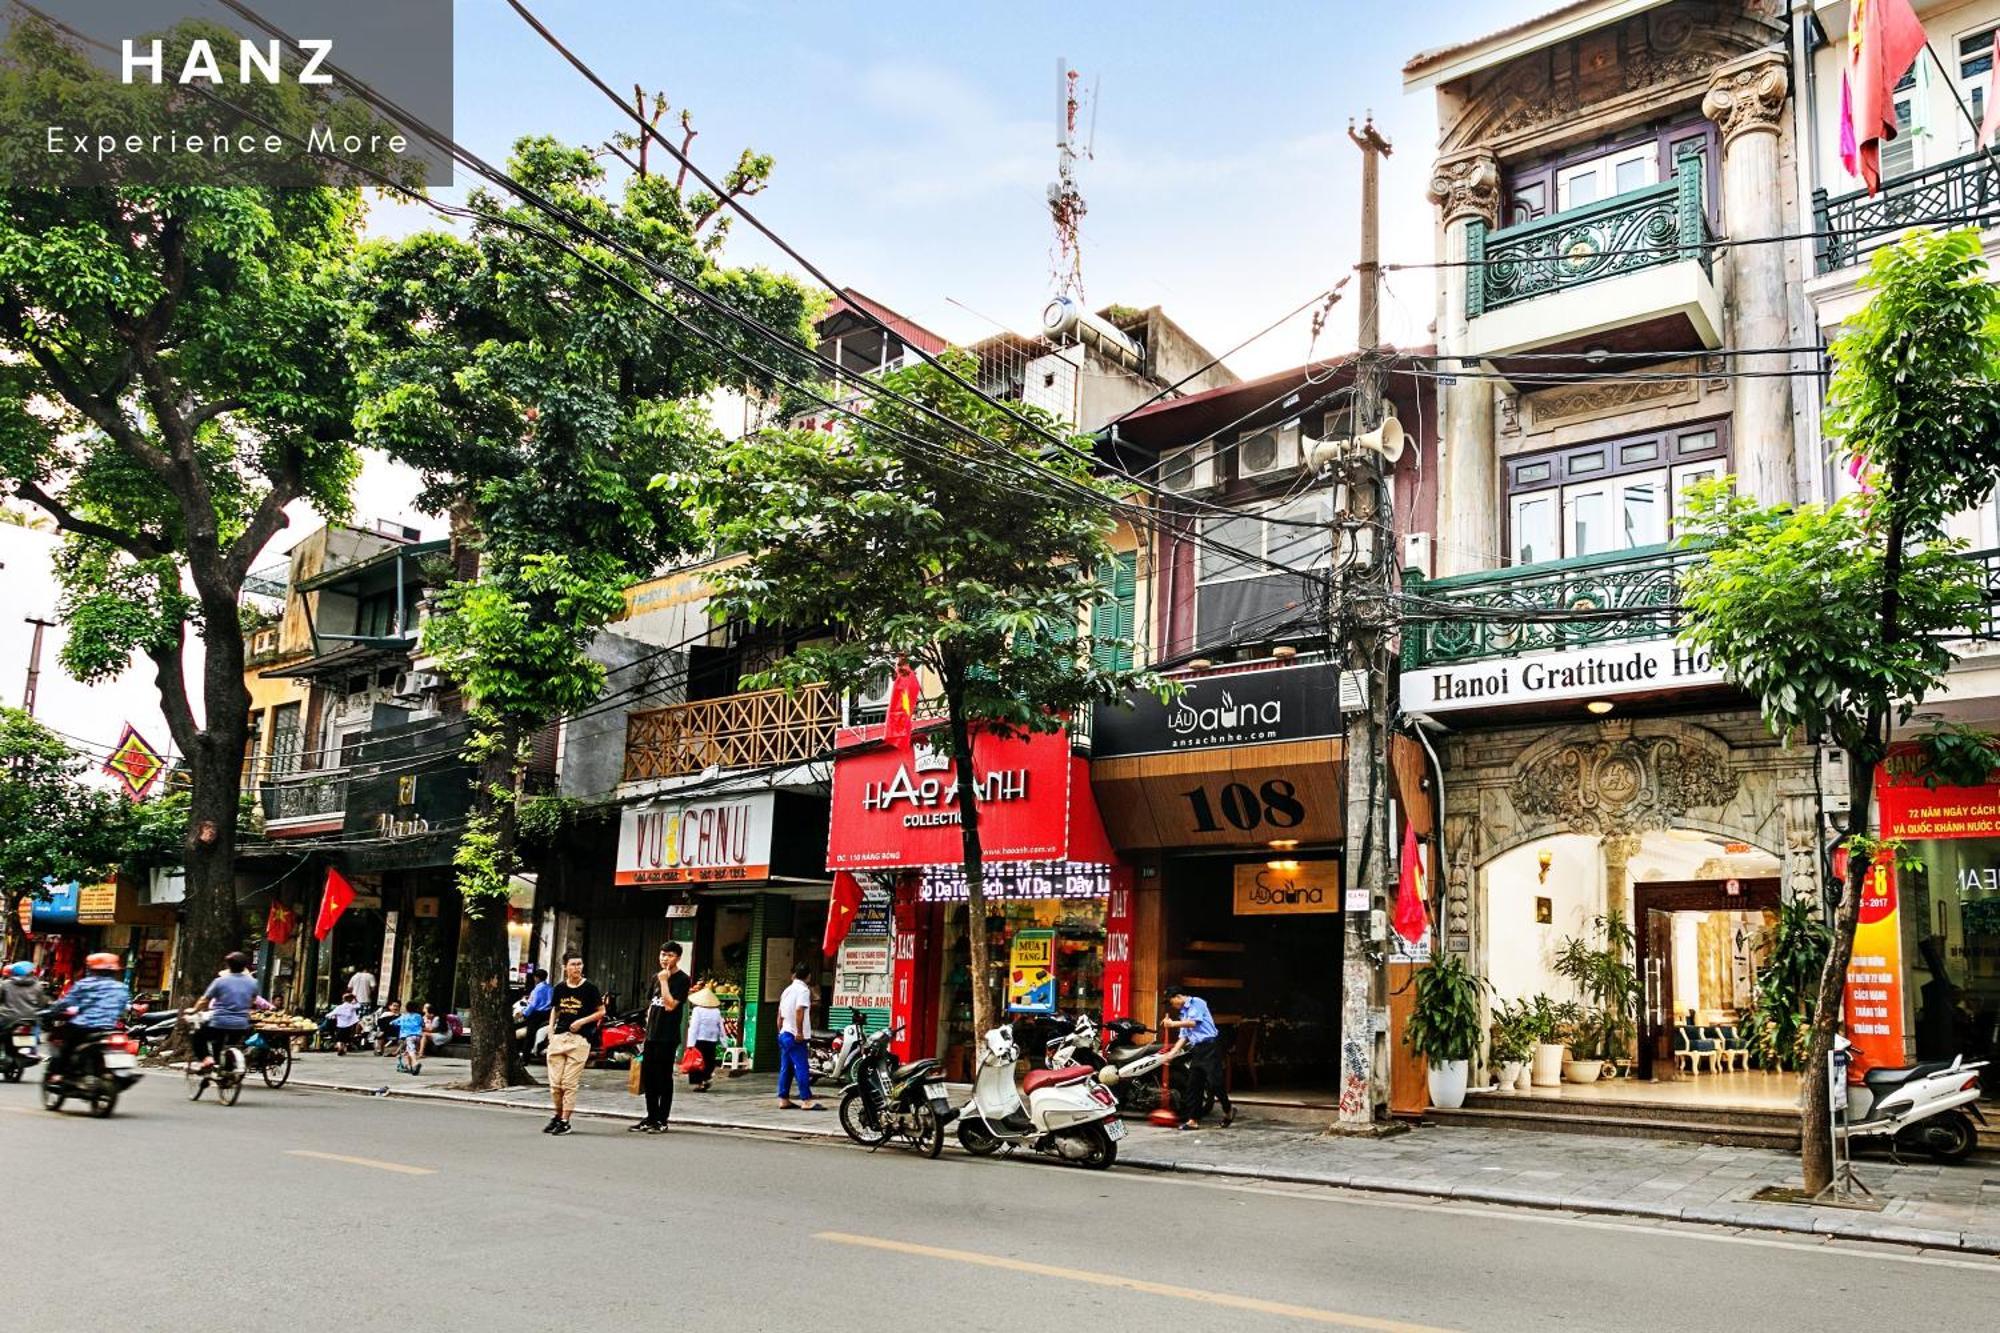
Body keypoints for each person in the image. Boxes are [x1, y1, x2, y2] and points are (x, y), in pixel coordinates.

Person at [632, 942, 691, 1133]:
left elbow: (670, 1005)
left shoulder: (682, 979)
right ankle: (651, 1116)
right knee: (649, 1077)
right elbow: (652, 1005)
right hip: (652, 1035)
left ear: (678, 958)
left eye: (670, 955)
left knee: (664, 1077)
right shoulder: (655, 977)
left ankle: (662, 1119)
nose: (665, 958)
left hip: (668, 1036)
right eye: (663, 954)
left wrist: (665, 981)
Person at [544, 952, 603, 1136]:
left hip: (579, 1039)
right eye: (573, 964)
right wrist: (551, 1032)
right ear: (565, 967)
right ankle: (557, 1115)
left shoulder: (590, 988)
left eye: (579, 964)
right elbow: (556, 1009)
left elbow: (601, 1011)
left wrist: (582, 1022)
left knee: (569, 1083)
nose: (577, 968)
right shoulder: (560, 988)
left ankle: (565, 1120)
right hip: (559, 1038)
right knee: (555, 1084)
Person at [1161, 984, 1233, 1131]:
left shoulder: (1197, 1002)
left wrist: (1173, 1024)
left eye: (1171, 1002)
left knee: (1215, 1083)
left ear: (1178, 997)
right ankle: (1193, 1120)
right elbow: (1184, 1037)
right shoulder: (1183, 1014)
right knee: (1193, 1085)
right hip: (1198, 1049)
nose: (1171, 1006)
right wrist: (1172, 1053)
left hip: (1211, 1046)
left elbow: (1195, 1022)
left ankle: (1229, 1110)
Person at [49, 952, 129, 1080]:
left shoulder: (85, 984)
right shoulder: (122, 987)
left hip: (84, 1025)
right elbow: (123, 1006)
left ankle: (58, 1074)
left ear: (92, 969)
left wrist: (52, 1010)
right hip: (110, 1027)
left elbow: (66, 1002)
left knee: (65, 1045)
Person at [191, 952, 259, 1073]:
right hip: (241, 1024)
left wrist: (194, 1010)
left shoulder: (220, 981)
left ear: (228, 966)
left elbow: (204, 1000)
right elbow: (253, 1000)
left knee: (198, 1036)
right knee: (228, 1045)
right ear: (244, 966)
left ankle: (206, 1059)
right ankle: (226, 1071)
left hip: (219, 1022)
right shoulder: (253, 982)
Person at [775, 961, 821, 1111]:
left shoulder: (787, 990)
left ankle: (783, 1098)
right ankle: (806, 1100)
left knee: (786, 1067)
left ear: (794, 974)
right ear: (808, 976)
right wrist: (799, 1032)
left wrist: (780, 1030)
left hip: (784, 1033)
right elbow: (799, 1010)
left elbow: (780, 1014)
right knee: (802, 1067)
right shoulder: (803, 990)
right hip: (795, 1036)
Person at [686, 985, 724, 1092]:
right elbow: (721, 1027)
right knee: (708, 1061)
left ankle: (700, 1083)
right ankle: (706, 1079)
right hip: (712, 1040)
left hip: (699, 1040)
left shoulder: (697, 1010)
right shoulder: (716, 1011)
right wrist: (724, 1042)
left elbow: (694, 1027)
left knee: (698, 1062)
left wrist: (690, 1044)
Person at [1, 962, 48, 1042]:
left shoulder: (5, 984)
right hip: (31, 1019)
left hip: (8, 1018)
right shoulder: (38, 986)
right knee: (37, 1029)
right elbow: (41, 1004)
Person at [515, 968, 552, 1060]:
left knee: (529, 1035)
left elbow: (533, 1004)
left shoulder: (538, 989)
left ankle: (525, 1058)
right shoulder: (550, 988)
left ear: (536, 978)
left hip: (537, 1014)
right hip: (548, 1014)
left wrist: (523, 1013)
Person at [395, 1000, 426, 1074]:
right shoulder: (418, 1016)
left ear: (406, 1008)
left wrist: (392, 1023)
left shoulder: (404, 1016)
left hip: (408, 1036)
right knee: (408, 1050)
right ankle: (409, 1066)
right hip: (418, 1036)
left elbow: (395, 1022)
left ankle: (415, 1063)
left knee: (411, 1050)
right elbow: (422, 1024)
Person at [330, 991, 361, 1055]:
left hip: (340, 1026)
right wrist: (355, 998)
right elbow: (358, 1005)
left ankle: (339, 1047)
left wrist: (333, 1016)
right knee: (345, 1039)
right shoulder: (351, 1007)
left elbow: (330, 1014)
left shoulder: (339, 1007)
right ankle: (343, 1049)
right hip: (348, 1026)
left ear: (343, 1000)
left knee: (338, 1039)